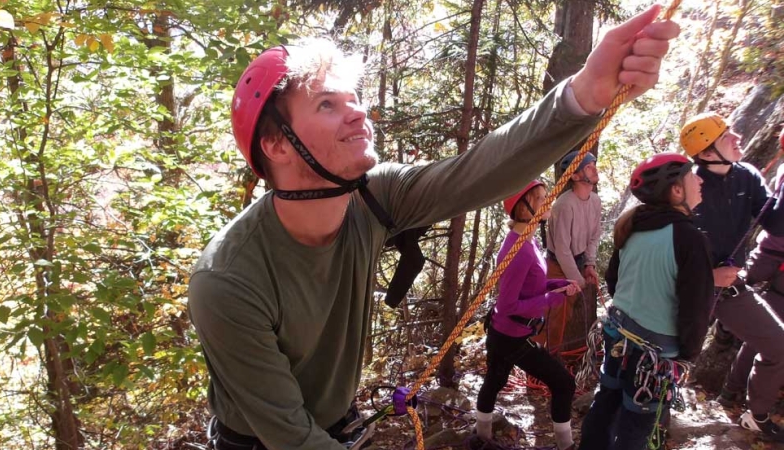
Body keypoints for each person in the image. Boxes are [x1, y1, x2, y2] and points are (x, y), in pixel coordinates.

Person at [187, 7, 680, 449]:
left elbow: (476, 172)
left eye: (353, 98)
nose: (358, 110)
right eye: (326, 104)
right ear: (277, 145)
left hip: (338, 425)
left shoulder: (372, 197)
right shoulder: (229, 280)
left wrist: (584, 94)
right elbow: (289, 434)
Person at [579, 153, 713, 450]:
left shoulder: (634, 229)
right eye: (693, 176)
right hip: (656, 352)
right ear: (676, 190)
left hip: (619, 334)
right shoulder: (689, 237)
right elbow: (697, 308)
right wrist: (687, 356)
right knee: (636, 428)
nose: (700, 180)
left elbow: (615, 281)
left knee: (606, 404)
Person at [681, 113, 784, 441]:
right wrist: (709, 276)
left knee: (779, 344)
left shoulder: (747, 176)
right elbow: (670, 251)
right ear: (708, 153)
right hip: (692, 288)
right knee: (674, 354)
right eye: (727, 135)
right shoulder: (688, 187)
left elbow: (777, 224)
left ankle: (758, 415)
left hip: (730, 289)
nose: (737, 136)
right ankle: (646, 412)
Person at [475, 181, 580, 449]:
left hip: (505, 333)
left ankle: (482, 436)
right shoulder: (516, 249)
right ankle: (566, 445)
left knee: (495, 380)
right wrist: (552, 298)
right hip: (511, 335)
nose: (548, 203)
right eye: (541, 198)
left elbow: (529, 288)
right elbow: (508, 305)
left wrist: (556, 285)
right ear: (525, 206)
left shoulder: (527, 242)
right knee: (564, 384)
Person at [540, 150, 602, 351]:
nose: (594, 169)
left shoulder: (595, 201)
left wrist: (589, 264)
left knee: (565, 316)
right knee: (555, 315)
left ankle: (552, 357)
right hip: (558, 265)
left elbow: (594, 236)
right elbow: (562, 249)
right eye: (588, 167)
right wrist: (578, 279)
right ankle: (542, 362)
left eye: (594, 164)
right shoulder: (564, 205)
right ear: (575, 176)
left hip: (577, 260)